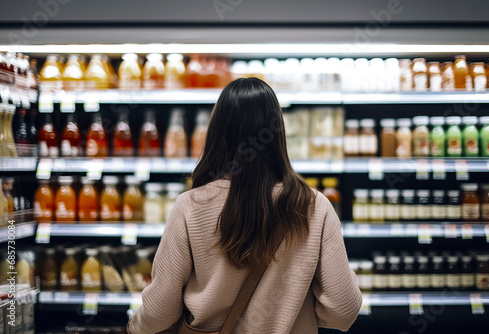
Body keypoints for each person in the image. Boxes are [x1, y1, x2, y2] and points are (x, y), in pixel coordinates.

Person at [127, 77, 362, 334]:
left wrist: (132, 327)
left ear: (216, 132)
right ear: (277, 133)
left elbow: (160, 310)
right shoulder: (314, 206)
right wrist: (294, 311)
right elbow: (343, 310)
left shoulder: (191, 206)